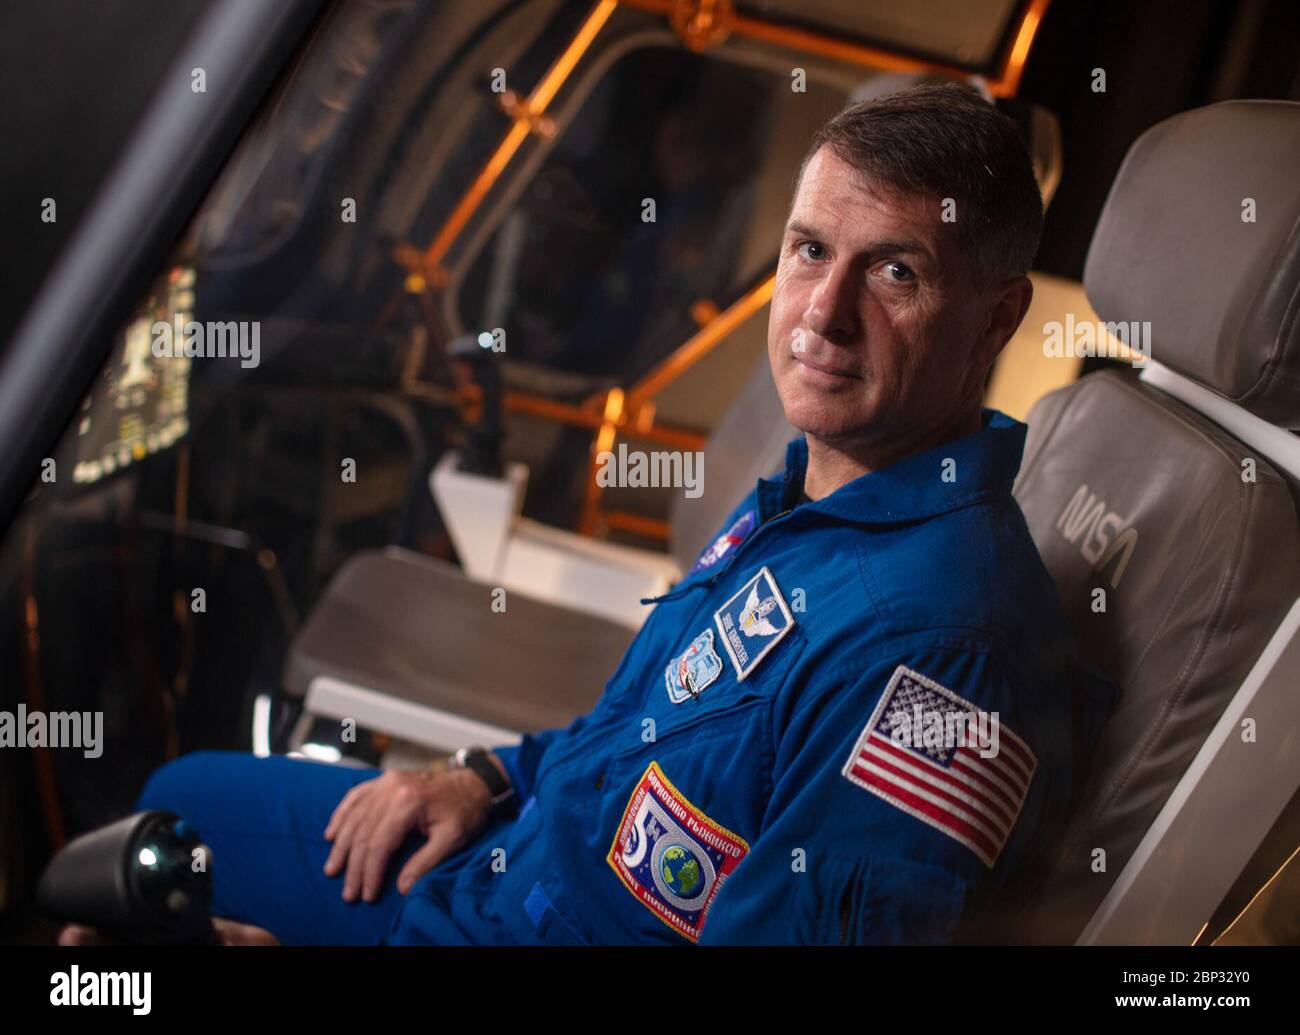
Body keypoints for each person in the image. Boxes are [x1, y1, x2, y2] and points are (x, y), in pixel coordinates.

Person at [64, 81, 1118, 946]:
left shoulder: (937, 659)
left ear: (995, 317)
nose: (824, 317)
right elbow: (643, 735)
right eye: (807, 251)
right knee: (172, 808)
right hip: (495, 864)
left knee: (116, 916)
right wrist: (479, 778)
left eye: (894, 272)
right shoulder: (814, 501)